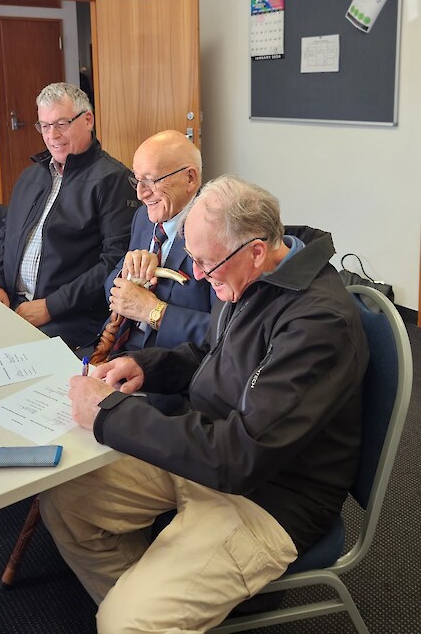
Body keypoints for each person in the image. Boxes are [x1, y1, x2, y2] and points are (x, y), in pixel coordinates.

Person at [40, 175, 369, 633]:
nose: (195, 275)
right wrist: (148, 366)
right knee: (67, 500)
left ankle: (146, 613)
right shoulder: (257, 271)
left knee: (125, 621)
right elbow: (216, 354)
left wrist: (108, 414)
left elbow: (240, 458)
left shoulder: (317, 323)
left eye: (204, 263)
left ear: (256, 250)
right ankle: (164, 607)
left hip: (270, 496)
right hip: (206, 449)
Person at [0, 82, 138, 350]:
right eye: (44, 125)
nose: (52, 135)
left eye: (61, 124)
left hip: (70, 316)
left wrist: (51, 307)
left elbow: (115, 262)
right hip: (13, 304)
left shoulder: (113, 179)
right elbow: (6, 235)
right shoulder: (31, 175)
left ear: (88, 120)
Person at [94, 129, 214, 359]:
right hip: (114, 350)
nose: (140, 194)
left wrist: (153, 311)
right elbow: (111, 286)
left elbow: (226, 331)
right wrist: (130, 273)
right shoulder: (143, 218)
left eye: (151, 181)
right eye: (137, 180)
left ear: (190, 178)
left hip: (169, 368)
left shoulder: (215, 233)